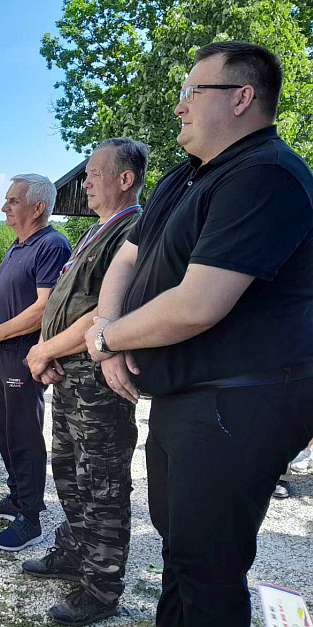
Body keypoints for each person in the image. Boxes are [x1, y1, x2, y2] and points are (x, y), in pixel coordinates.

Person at [83, 42, 313, 626]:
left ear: (241, 98)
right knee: (180, 553)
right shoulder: (185, 177)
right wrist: (110, 328)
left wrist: (111, 341)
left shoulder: (265, 176)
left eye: (192, 92)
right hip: (188, 399)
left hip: (238, 400)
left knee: (208, 566)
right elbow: (127, 259)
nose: (179, 107)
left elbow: (197, 305)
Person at [22, 139, 148, 625]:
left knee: (103, 484)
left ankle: (101, 585)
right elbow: (70, 303)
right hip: (70, 375)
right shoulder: (98, 230)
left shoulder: (133, 230)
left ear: (124, 179)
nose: (86, 181)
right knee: (70, 473)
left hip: (97, 380)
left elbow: (103, 313)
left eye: (95, 173)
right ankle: (74, 553)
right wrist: (51, 353)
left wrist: (46, 349)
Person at [0, 174, 71, 551]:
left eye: (13, 201)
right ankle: (16, 497)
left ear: (38, 206)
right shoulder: (17, 247)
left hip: (22, 355)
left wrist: (0, 333)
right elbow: (2, 292)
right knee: (4, 429)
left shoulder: (51, 245)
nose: (4, 208)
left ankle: (30, 517)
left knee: (25, 433)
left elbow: (45, 307)